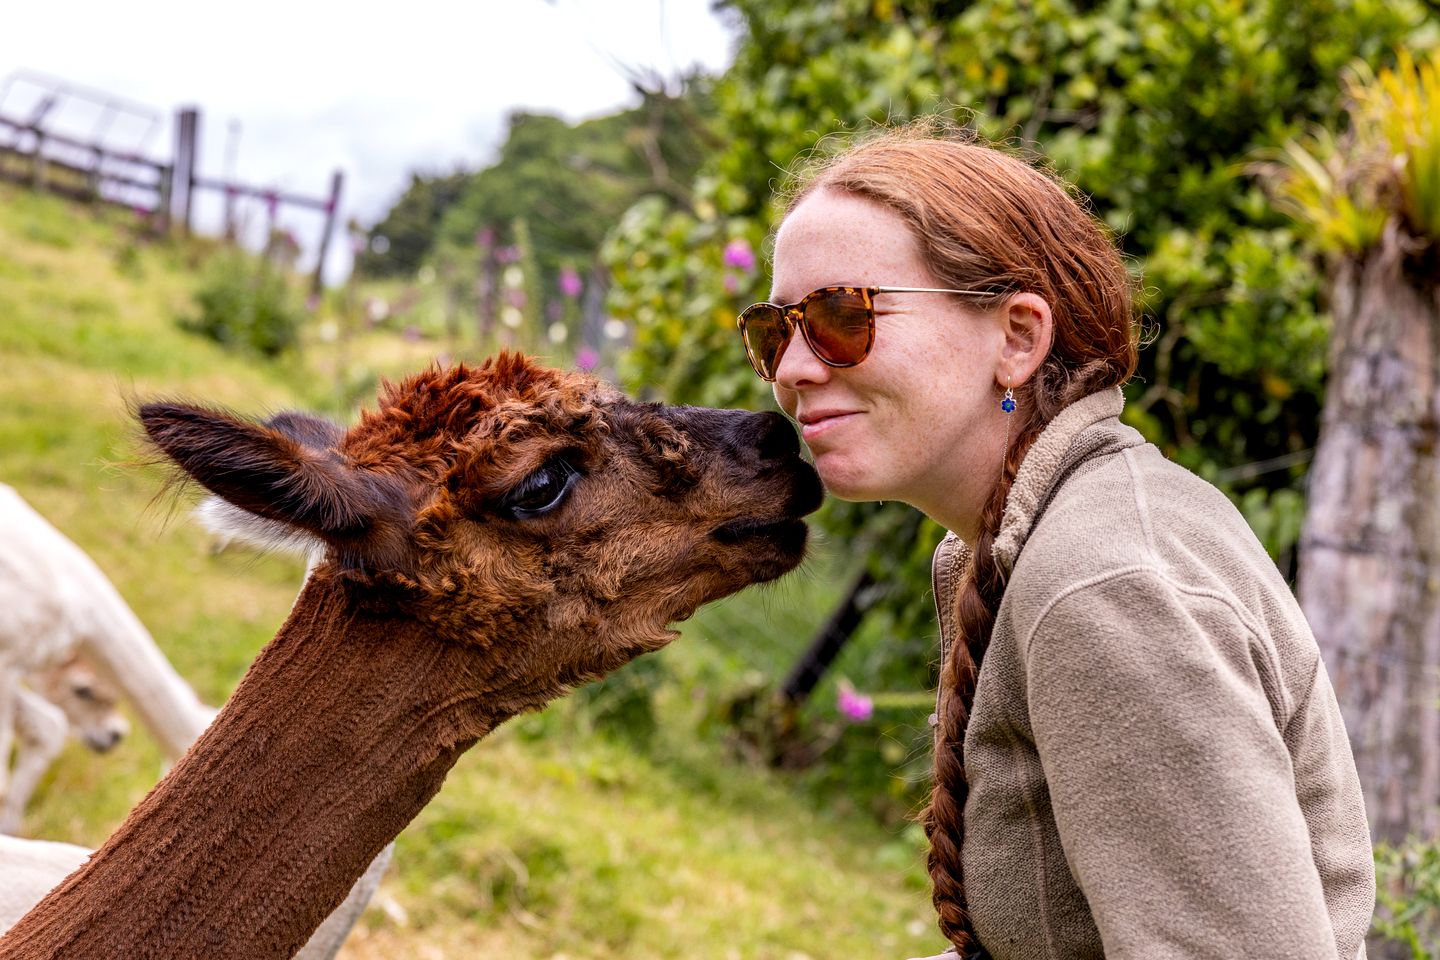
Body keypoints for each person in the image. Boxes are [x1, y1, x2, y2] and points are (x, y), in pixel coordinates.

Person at [735, 125, 1374, 959]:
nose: (792, 369)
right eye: (774, 331)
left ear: (1017, 338)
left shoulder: (1104, 582)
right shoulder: (1042, 539)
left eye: (839, 316)